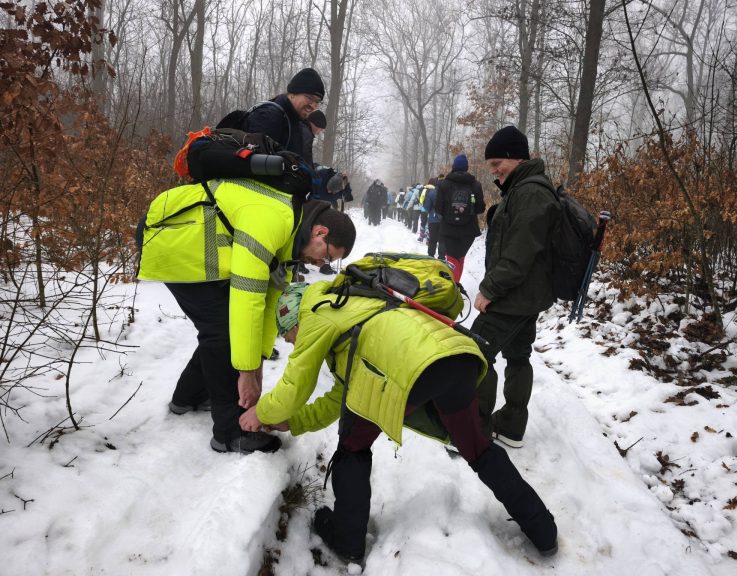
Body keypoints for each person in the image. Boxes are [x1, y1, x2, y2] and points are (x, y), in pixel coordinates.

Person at [240, 281, 558, 564]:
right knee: (478, 449)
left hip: (413, 368)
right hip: (455, 356)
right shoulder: (351, 305)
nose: (293, 344)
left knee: (352, 447)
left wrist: (262, 414)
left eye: (289, 336)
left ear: (293, 320)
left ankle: (348, 542)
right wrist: (293, 423)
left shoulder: (315, 315)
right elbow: (341, 395)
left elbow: (293, 389)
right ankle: (544, 531)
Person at [137, 182, 357, 454]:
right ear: (320, 232)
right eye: (327, 255)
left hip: (194, 246)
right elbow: (248, 297)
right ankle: (229, 433)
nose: (320, 264)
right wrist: (246, 371)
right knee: (223, 331)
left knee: (223, 331)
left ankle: (189, 397)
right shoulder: (271, 221)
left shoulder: (289, 240)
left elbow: (269, 303)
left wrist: (259, 362)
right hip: (172, 240)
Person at [471, 126, 561, 448]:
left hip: (515, 295)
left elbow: (520, 253)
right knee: (518, 355)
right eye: (491, 165)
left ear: (515, 157)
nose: (493, 170)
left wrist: (489, 290)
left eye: (497, 163)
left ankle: (474, 430)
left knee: (476, 351)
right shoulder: (523, 189)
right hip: (527, 294)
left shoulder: (531, 193)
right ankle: (510, 425)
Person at [241, 67, 325, 164]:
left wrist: (326, 174)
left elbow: (301, 165)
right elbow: (253, 164)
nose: (314, 106)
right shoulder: (268, 117)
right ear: (293, 93)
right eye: (310, 98)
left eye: (317, 102)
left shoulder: (297, 123)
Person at [436, 153, 485, 282]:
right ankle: (455, 285)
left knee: (452, 258)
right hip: (469, 229)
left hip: (448, 229)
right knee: (460, 258)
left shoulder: (443, 184)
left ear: (454, 166)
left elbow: (438, 208)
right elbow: (480, 208)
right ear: (467, 168)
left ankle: (453, 287)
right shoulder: (476, 185)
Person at [422, 179, 444, 259]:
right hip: (444, 220)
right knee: (442, 239)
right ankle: (441, 257)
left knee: (433, 239)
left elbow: (426, 207)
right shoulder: (448, 193)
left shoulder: (432, 193)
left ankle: (431, 256)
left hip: (433, 219)